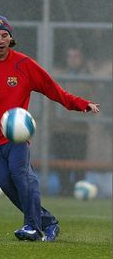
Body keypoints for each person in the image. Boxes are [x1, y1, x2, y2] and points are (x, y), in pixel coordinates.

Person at [0, 15, 99, 242]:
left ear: (11, 38)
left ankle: (31, 227)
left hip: (17, 137)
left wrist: (82, 104)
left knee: (21, 175)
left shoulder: (24, 64)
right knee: (8, 186)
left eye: (5, 35)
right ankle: (49, 222)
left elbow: (56, 91)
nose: (1, 40)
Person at [52, 48, 92, 195]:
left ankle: (78, 190)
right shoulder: (61, 77)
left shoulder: (88, 79)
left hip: (78, 130)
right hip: (61, 129)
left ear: (81, 59)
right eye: (70, 56)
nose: (73, 60)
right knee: (61, 162)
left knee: (79, 163)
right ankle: (64, 190)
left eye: (76, 57)